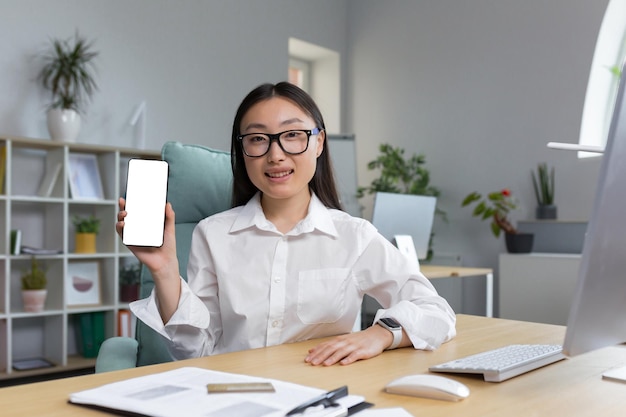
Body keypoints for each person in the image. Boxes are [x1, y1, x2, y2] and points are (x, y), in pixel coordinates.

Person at [117, 81, 456, 366]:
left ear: (319, 142)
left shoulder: (354, 237)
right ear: (243, 150)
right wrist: (164, 271)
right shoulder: (213, 234)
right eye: (257, 138)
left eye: (292, 135)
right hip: (233, 397)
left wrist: (380, 334)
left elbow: (436, 310)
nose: (275, 154)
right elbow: (195, 351)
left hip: (317, 400)